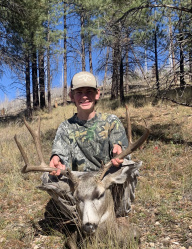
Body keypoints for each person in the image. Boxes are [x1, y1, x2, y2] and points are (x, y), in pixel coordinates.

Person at [41, 71, 139, 221]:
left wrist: (119, 153)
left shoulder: (111, 121)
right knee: (47, 177)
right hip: (79, 182)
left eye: (89, 92)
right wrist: (56, 159)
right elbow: (60, 153)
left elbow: (120, 148)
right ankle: (78, 218)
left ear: (97, 94)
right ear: (71, 96)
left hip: (104, 179)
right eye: (79, 92)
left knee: (128, 166)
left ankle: (119, 215)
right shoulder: (65, 127)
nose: (84, 96)